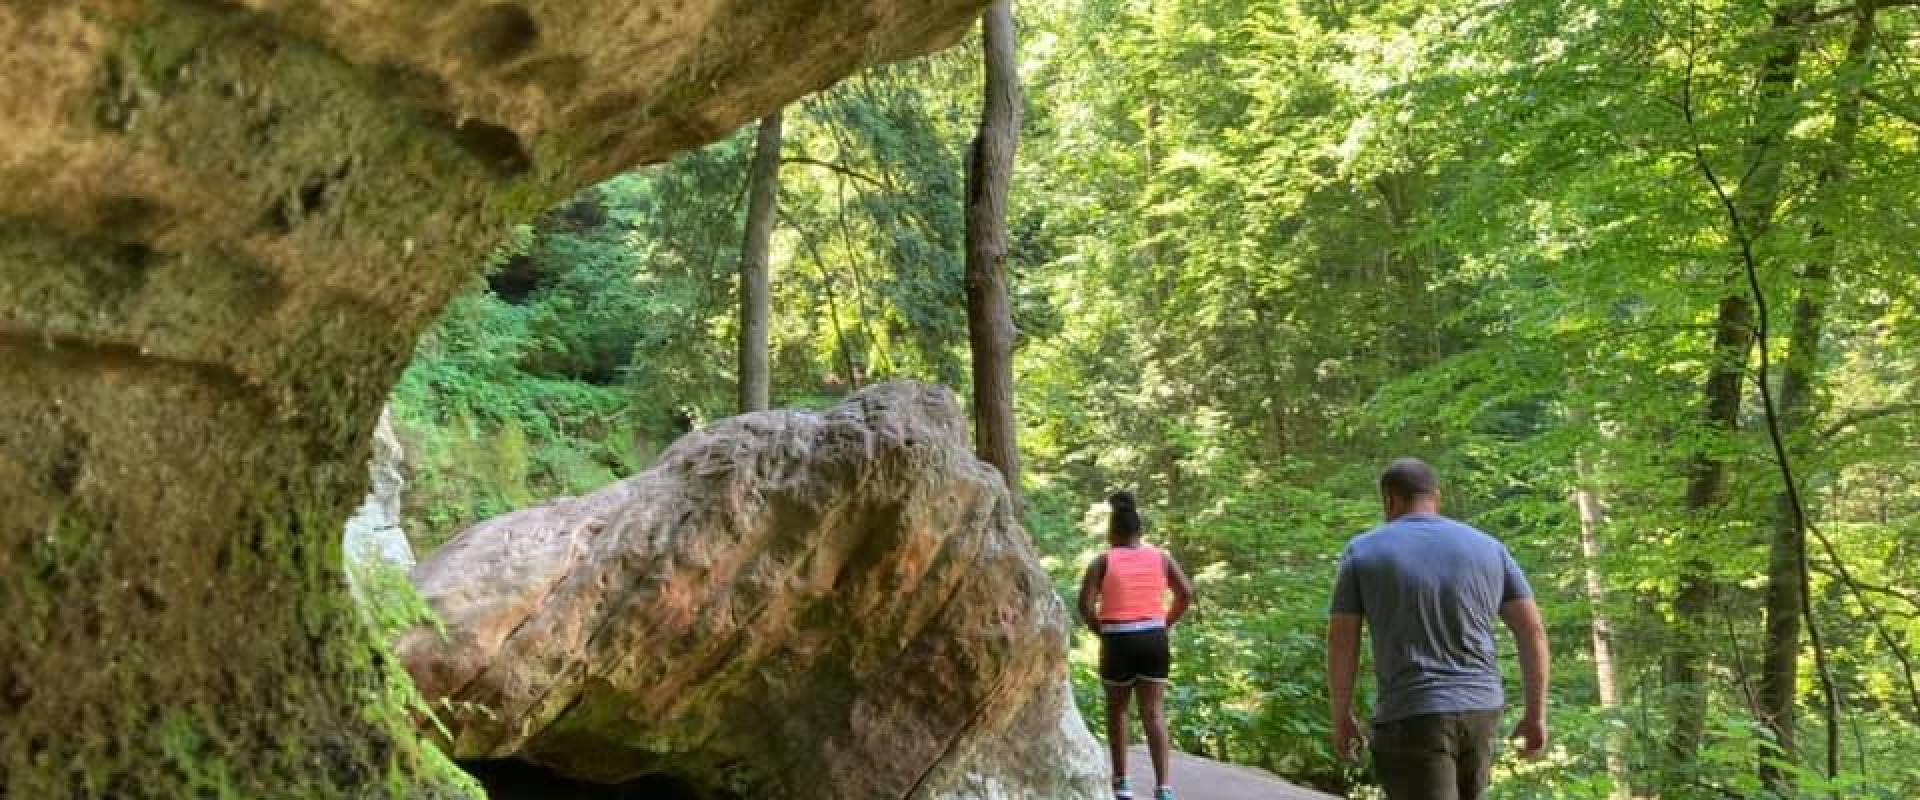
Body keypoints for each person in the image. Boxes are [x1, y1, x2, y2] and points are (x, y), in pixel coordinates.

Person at [1326, 458, 1550, 800]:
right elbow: (1532, 631)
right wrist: (1536, 715)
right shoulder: (1490, 548)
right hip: (1482, 710)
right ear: (1436, 497)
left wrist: (1341, 716)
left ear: (1389, 500)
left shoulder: (1363, 552)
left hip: (1411, 712)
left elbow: (1343, 641)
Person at [1078, 491, 1196, 800]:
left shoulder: (1102, 562)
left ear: (1111, 533)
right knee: (1154, 712)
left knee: (1117, 710)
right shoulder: (1161, 558)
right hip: (1154, 640)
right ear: (1139, 532)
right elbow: (1186, 594)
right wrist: (1164, 623)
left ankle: (1123, 785)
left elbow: (1085, 606)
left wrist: (1100, 630)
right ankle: (1164, 788)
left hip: (1117, 639)